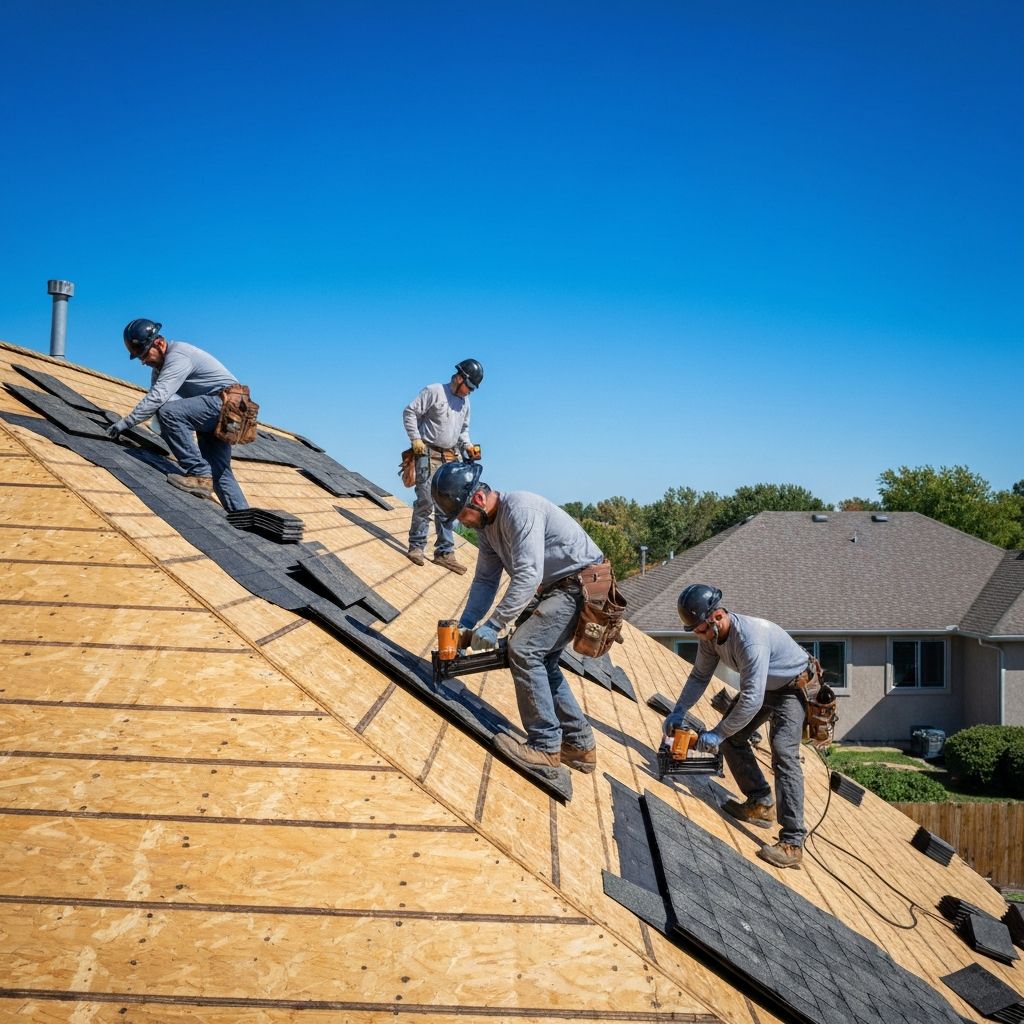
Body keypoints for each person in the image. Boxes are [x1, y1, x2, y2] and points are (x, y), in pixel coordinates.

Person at [431, 461, 602, 776]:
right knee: (543, 660)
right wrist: (466, 626)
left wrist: (495, 624)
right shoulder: (487, 529)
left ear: (478, 500)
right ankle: (579, 745)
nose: (463, 524)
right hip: (559, 588)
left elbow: (528, 575)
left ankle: (545, 747)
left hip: (581, 586)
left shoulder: (520, 510)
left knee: (523, 650)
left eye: (461, 515)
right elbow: (485, 582)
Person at [662, 583, 816, 869]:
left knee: (784, 753)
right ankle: (761, 803)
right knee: (733, 739)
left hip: (793, 687)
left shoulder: (750, 641)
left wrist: (717, 733)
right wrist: (678, 711)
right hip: (763, 687)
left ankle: (793, 844)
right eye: (694, 631)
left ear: (717, 617)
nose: (699, 636)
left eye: (701, 630)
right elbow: (699, 677)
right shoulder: (710, 638)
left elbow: (752, 700)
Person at [107, 318, 249, 512]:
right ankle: (243, 516)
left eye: (145, 354)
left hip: (224, 404)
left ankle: (199, 474)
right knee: (219, 471)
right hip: (230, 411)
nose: (143, 361)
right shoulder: (160, 369)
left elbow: (159, 400)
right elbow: (156, 401)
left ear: (159, 343)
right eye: (139, 357)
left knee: (169, 413)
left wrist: (125, 424)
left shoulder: (178, 356)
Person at [402, 359, 484, 574]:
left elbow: (463, 430)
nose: (470, 392)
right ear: (459, 378)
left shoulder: (465, 403)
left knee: (448, 505)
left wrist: (467, 446)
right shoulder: (435, 391)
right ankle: (417, 547)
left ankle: (444, 553)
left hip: (450, 457)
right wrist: (415, 439)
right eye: (469, 386)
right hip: (426, 453)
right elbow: (410, 412)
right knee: (426, 500)